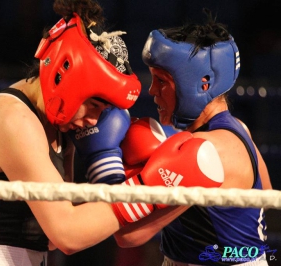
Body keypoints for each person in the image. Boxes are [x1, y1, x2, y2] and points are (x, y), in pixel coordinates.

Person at [0, 0, 143, 265]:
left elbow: (55, 237)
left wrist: (108, 173)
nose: (93, 120)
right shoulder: (12, 120)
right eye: (94, 105)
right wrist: (147, 185)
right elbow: (67, 235)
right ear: (67, 79)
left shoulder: (59, 128)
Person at [113, 9, 273, 266]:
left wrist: (105, 160)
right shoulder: (237, 128)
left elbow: (129, 234)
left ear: (203, 84)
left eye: (161, 81)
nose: (152, 90)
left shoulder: (205, 150)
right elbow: (264, 195)